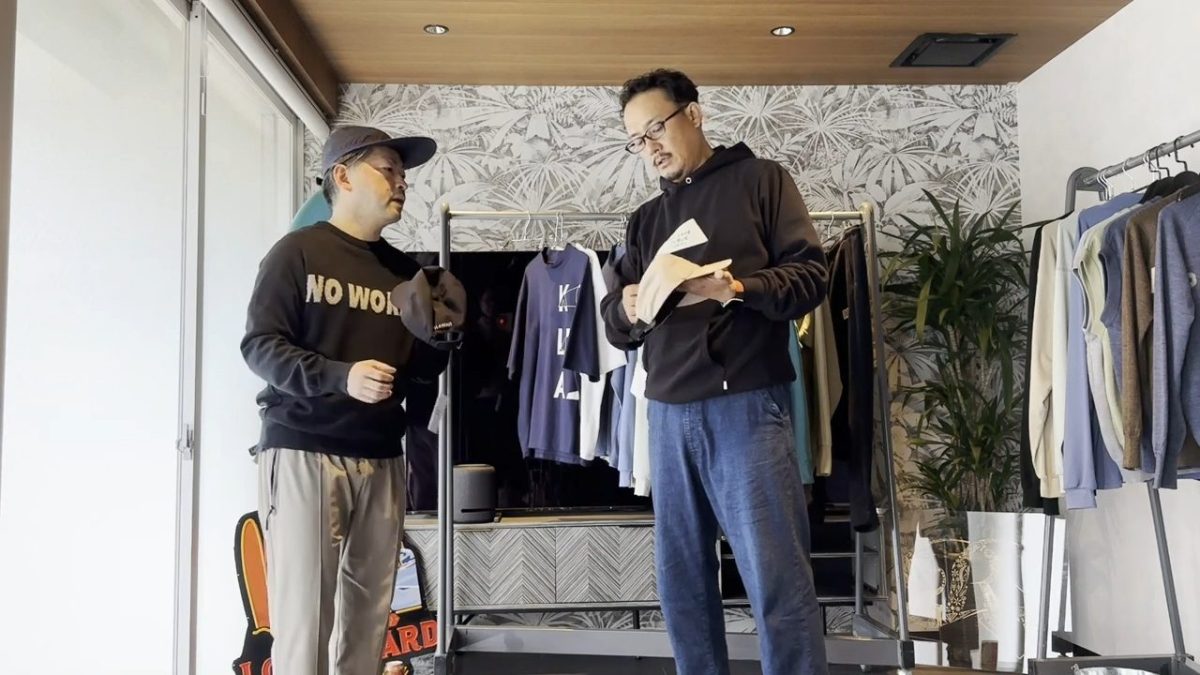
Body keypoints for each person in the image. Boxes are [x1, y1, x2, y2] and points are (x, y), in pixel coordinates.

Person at [600, 69, 830, 675]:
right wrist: (625, 309)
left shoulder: (762, 180)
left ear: (694, 115)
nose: (649, 147)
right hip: (666, 413)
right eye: (636, 139)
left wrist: (736, 289)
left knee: (777, 577)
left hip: (746, 406)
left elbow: (811, 277)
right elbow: (614, 325)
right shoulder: (645, 219)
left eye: (656, 128)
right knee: (683, 584)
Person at [241, 125, 448, 675]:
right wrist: (340, 377)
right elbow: (259, 346)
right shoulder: (296, 253)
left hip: (382, 456)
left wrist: (442, 340)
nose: (401, 182)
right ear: (344, 175)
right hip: (305, 449)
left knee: (370, 625)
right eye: (388, 169)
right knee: (305, 624)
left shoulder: (406, 274)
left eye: (403, 173)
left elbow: (417, 376)